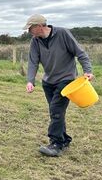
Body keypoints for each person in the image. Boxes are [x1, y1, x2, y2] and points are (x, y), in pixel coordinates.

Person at [24, 14, 94, 157]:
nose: (28, 31)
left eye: (30, 28)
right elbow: (33, 62)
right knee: (56, 112)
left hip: (66, 80)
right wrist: (30, 80)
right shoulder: (35, 41)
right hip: (48, 82)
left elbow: (80, 53)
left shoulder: (62, 34)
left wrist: (87, 71)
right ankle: (64, 139)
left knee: (56, 110)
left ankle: (56, 144)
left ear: (39, 26)